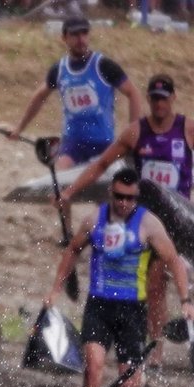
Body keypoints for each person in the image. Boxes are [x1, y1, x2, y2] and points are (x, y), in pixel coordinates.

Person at [58, 74, 193, 367]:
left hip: (181, 220)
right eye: (154, 98)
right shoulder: (136, 133)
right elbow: (102, 164)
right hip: (149, 223)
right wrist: (70, 191)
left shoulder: (187, 129)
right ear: (149, 99)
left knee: (182, 278)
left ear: (173, 99)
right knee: (155, 284)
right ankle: (155, 350)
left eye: (164, 98)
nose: (159, 104)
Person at [46, 167, 194, 387]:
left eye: (130, 198)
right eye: (119, 196)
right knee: (93, 369)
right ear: (110, 193)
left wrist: (186, 301)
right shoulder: (94, 220)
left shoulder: (149, 225)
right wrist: (55, 289)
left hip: (131, 310)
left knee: (129, 384)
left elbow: (174, 261)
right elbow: (73, 249)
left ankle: (142, 386)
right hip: (99, 306)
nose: (124, 203)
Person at [11, 18, 144, 170]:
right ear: (64, 38)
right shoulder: (59, 70)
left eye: (84, 33)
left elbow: (133, 94)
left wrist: (133, 135)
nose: (81, 40)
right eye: (75, 35)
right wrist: (19, 129)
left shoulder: (104, 65)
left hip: (103, 144)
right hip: (72, 145)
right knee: (61, 182)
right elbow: (40, 96)